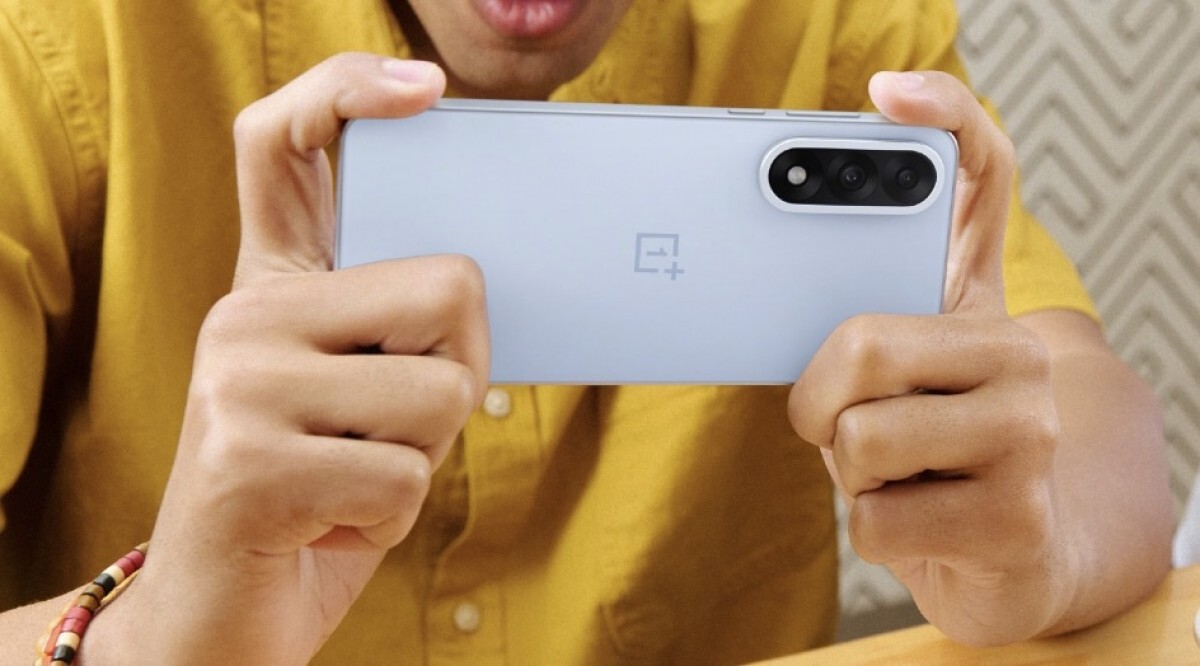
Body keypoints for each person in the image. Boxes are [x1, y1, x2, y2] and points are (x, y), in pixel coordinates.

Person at [0, 0, 1173, 663]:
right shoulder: (62, 39)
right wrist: (158, 636)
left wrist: (1042, 547)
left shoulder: (828, 23)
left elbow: (1084, 400)